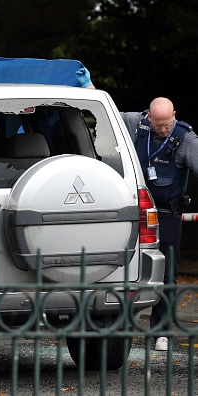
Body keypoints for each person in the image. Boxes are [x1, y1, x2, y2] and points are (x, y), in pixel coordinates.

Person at [77, 67, 198, 351]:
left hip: (167, 215)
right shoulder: (136, 123)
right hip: (135, 213)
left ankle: (161, 331)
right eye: (158, 124)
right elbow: (107, 113)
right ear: (149, 117)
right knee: (122, 268)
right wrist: (86, 86)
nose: (162, 129)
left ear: (174, 116)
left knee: (166, 273)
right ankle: (118, 325)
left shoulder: (186, 138)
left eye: (166, 124)